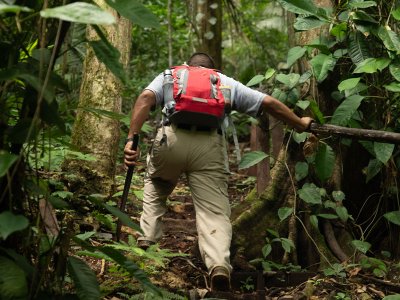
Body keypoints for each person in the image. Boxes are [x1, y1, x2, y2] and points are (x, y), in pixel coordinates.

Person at [124, 52, 313, 291]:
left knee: (157, 186)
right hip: (209, 147)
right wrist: (299, 122)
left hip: (171, 141)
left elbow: (144, 98)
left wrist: (132, 138)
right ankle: (219, 266)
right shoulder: (224, 82)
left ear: (188, 66)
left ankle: (146, 243)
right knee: (213, 210)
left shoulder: (171, 75)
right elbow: (268, 103)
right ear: (214, 70)